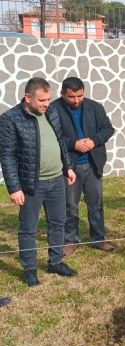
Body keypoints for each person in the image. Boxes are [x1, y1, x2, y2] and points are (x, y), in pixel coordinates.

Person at [0, 77, 77, 286]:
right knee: (28, 228)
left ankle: (55, 261)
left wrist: (68, 166)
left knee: (58, 222)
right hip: (30, 184)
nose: (46, 104)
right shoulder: (10, 119)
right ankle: (30, 269)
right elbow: (6, 156)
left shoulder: (51, 112)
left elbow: (60, 141)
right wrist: (14, 188)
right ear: (28, 98)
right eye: (42, 100)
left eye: (49, 99)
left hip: (56, 180)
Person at [52, 77, 115, 256]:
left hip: (93, 163)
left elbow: (108, 129)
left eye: (80, 95)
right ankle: (70, 240)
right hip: (69, 166)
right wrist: (74, 144)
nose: (76, 100)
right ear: (63, 94)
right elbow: (53, 137)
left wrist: (94, 141)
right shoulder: (54, 109)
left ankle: (99, 238)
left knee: (96, 203)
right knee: (70, 205)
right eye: (71, 96)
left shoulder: (95, 107)